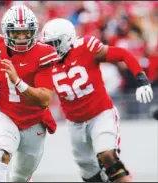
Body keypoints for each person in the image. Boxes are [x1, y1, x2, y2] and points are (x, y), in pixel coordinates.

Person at [41, 18, 154, 182]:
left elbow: (122, 54)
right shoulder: (45, 62)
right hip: (75, 123)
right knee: (88, 171)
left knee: (107, 155)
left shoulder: (86, 47)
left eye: (56, 43)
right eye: (48, 44)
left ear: (68, 39)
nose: (52, 49)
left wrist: (141, 78)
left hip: (100, 114)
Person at [0, 5, 59, 182]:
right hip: (6, 114)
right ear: (7, 32)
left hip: (35, 121)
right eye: (16, 34)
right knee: (1, 155)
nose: (22, 38)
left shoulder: (44, 53)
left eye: (26, 33)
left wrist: (18, 81)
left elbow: (44, 99)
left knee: (19, 177)